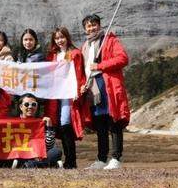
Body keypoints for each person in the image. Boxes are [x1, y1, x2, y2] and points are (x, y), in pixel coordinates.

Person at [79, 14, 130, 170]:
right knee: (100, 124)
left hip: (109, 87)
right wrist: (82, 85)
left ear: (100, 25)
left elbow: (123, 59)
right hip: (93, 90)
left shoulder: (110, 40)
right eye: (88, 25)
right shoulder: (85, 46)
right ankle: (101, 159)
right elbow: (84, 70)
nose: (92, 27)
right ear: (85, 29)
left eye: (94, 24)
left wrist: (100, 65)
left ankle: (116, 158)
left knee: (113, 121)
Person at [45, 27, 88, 169]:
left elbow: (79, 73)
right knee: (57, 126)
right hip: (55, 95)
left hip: (68, 94)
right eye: (57, 38)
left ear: (67, 37)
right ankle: (67, 160)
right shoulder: (52, 55)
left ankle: (71, 160)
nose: (59, 40)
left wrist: (78, 90)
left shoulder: (75, 53)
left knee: (65, 124)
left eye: (62, 37)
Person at [11, 94, 62, 169]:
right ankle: (46, 164)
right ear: (21, 107)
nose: (30, 107)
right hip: (20, 153)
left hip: (39, 154)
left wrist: (49, 128)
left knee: (56, 152)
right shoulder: (13, 122)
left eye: (33, 104)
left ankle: (29, 165)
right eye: (26, 104)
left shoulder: (41, 122)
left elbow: (49, 146)